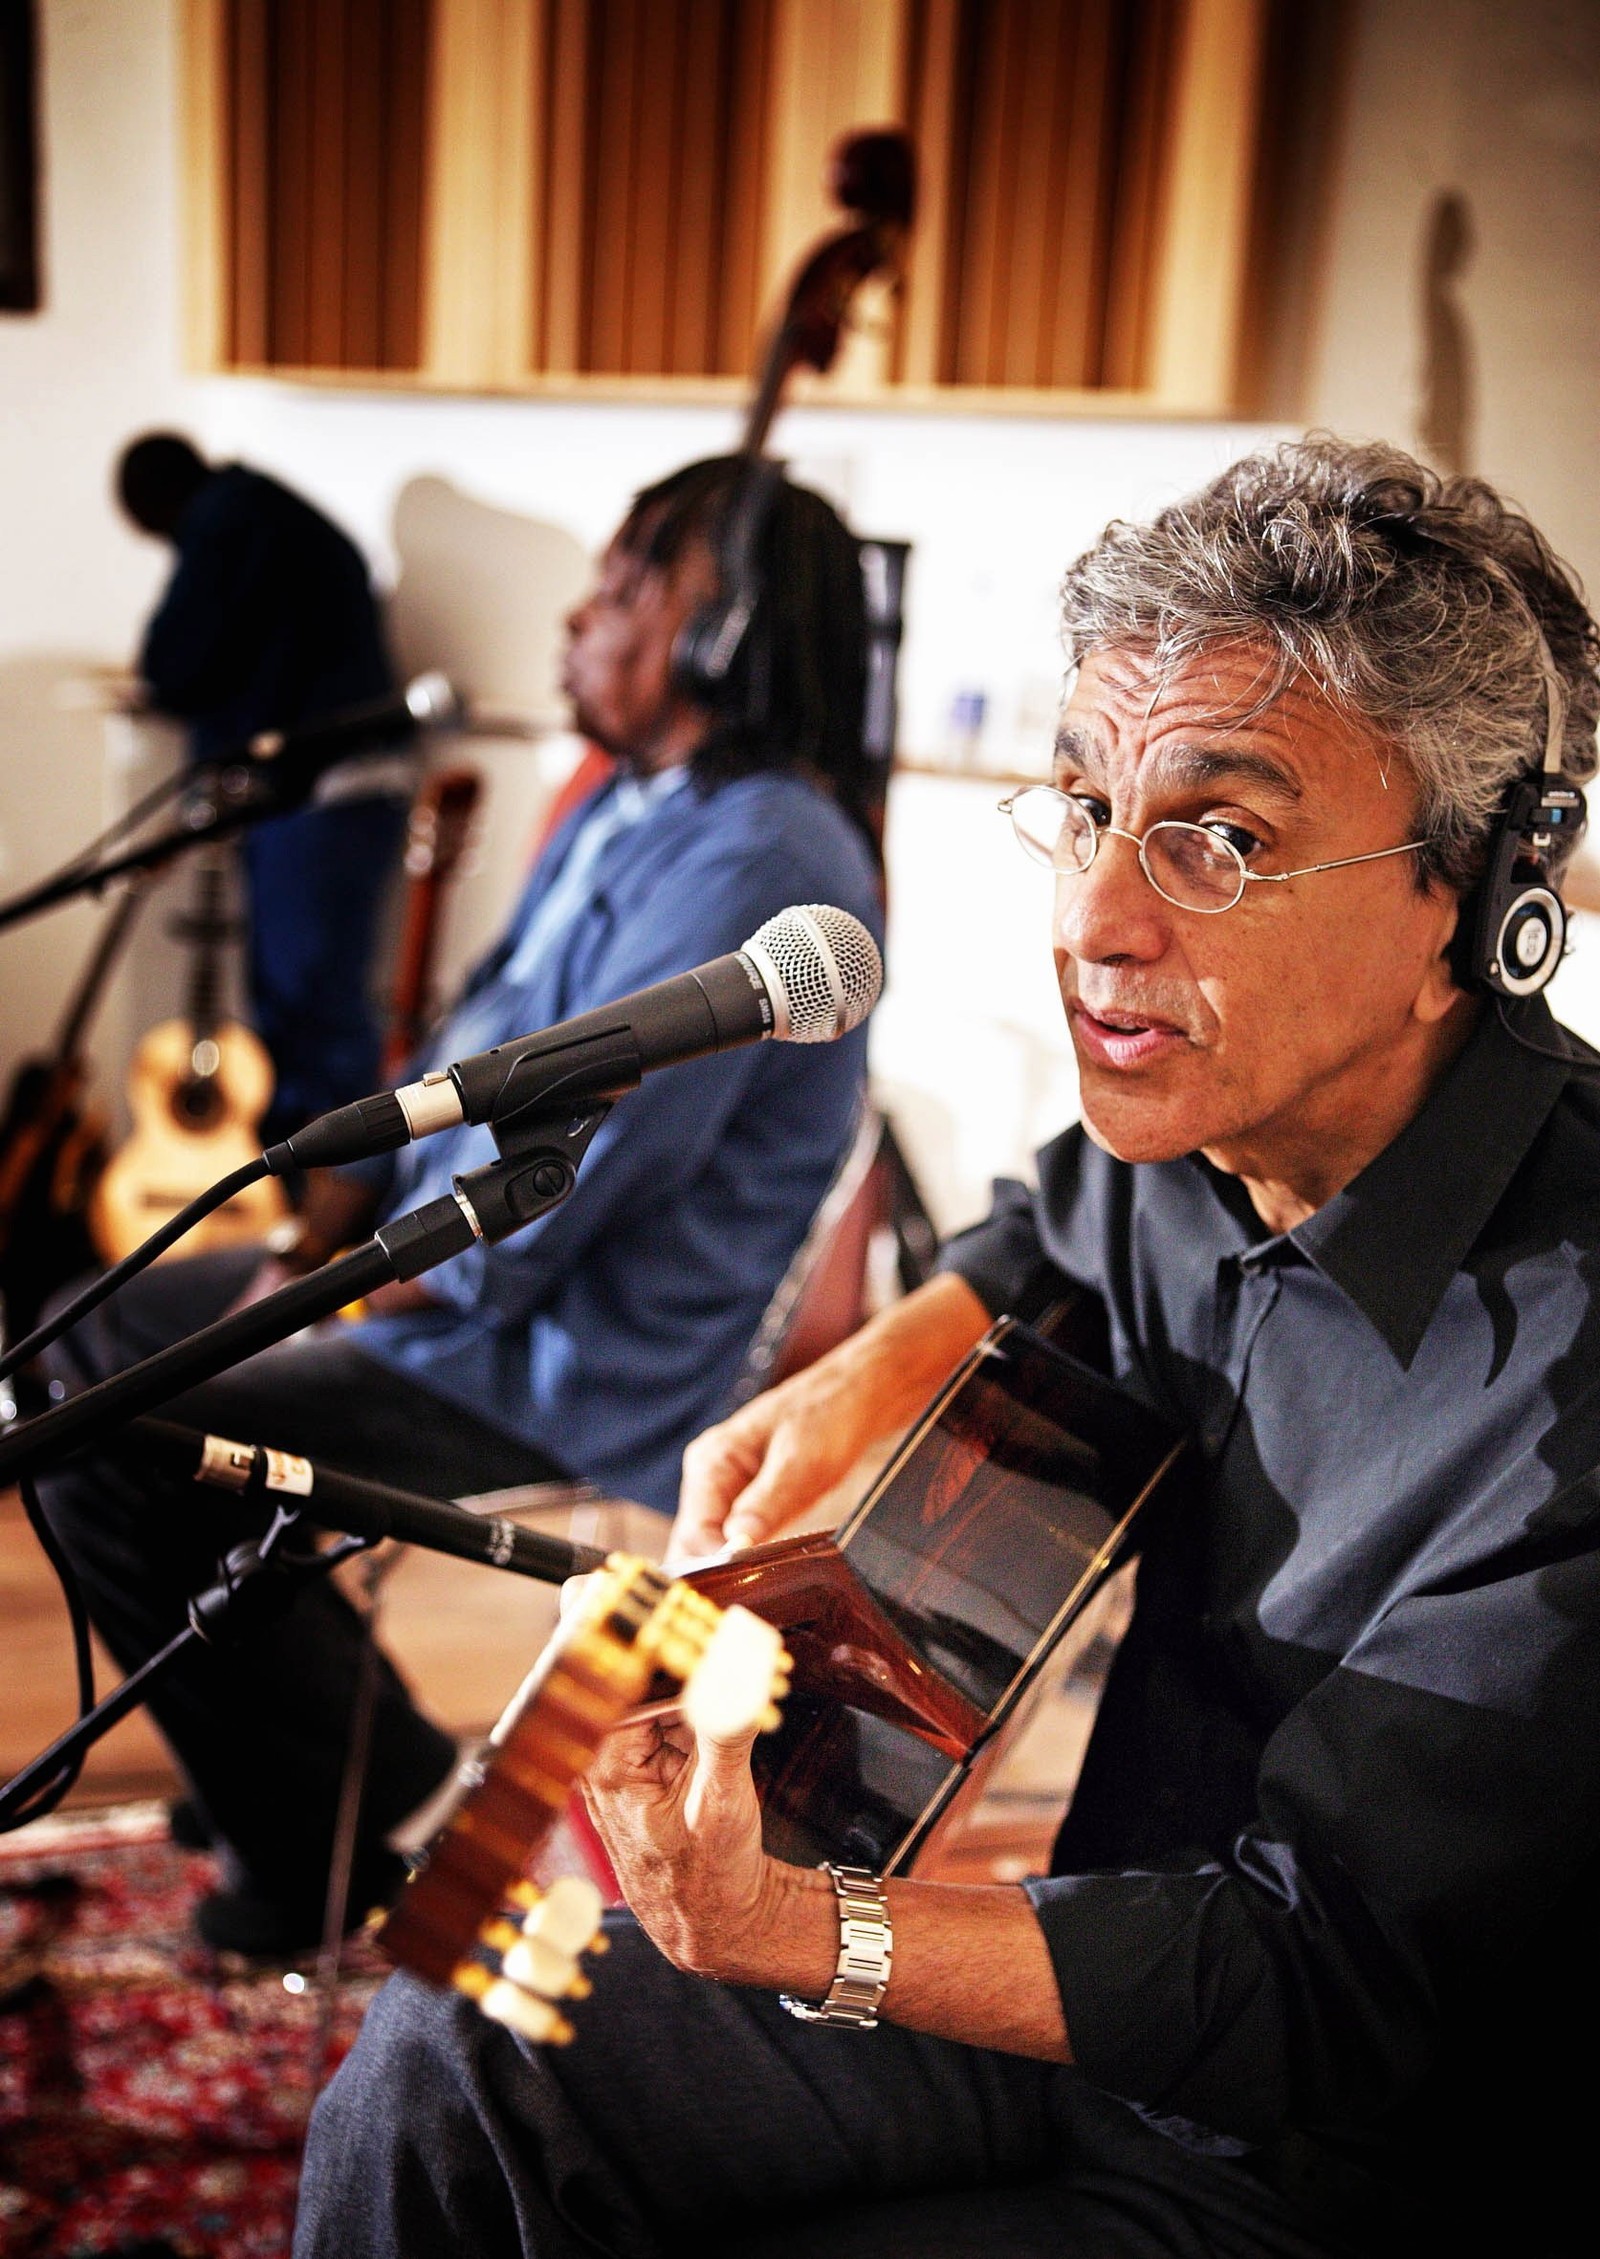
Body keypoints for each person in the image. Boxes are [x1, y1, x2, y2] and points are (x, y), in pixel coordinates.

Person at [296, 438, 1600, 2259]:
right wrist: (882, 1353)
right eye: (1082, 808)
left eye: (1218, 836)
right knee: (458, 2039)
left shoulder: (1574, 1373)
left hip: (1342, 2154)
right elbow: (1055, 1211)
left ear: (1475, 888)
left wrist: (796, 1928)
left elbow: (1327, 1975)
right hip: (1088, 1996)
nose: (1095, 921)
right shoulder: (1204, 1131)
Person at [40, 457, 885, 1957]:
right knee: (75, 1339)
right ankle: (316, 1755)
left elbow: (590, 1168)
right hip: (461, 1300)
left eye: (626, 585)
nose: (579, 613)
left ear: (723, 631)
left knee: (121, 1445)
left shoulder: (764, 848)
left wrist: (363, 1282)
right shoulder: (633, 801)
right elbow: (478, 1038)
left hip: (559, 1369)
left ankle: (343, 1828)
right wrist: (317, 1243)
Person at [115, 431, 410, 1137]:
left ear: (155, 505)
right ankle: (300, 1207)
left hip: (328, 799)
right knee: (297, 1009)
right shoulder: (265, 514)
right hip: (329, 796)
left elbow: (177, 664)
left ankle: (323, 1216)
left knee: (311, 1010)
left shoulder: (227, 522)